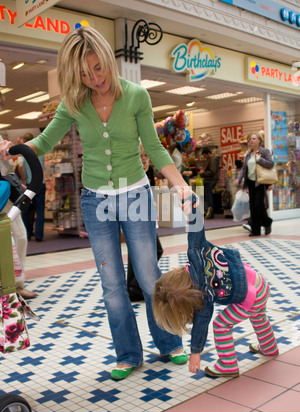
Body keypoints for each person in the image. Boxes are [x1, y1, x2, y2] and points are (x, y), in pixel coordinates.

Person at [0, 26, 195, 380]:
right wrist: (16, 150)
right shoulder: (74, 102)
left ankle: (168, 343)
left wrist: (180, 184)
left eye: (98, 68)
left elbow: (154, 147)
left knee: (149, 275)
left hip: (135, 194)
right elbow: (44, 141)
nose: (95, 79)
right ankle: (128, 354)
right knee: (111, 283)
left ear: (107, 59)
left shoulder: (136, 96)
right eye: (85, 74)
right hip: (95, 200)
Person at [153, 204, 279, 378]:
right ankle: (269, 347)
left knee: (221, 324)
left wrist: (195, 352)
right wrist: (192, 207)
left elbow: (200, 325)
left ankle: (228, 365)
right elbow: (196, 231)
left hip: (251, 296)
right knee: (258, 315)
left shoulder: (202, 297)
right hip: (260, 283)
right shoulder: (196, 253)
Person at [127, 144, 163, 302]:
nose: (144, 159)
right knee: (155, 250)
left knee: (136, 253)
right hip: (138, 218)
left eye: (146, 156)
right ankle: (135, 286)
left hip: (142, 217)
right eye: (140, 156)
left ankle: (133, 287)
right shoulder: (133, 173)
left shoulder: (146, 172)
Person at [0, 158, 37, 299]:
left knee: (20, 237)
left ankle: (17, 285)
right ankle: (10, 286)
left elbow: (9, 165)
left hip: (7, 194)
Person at [235, 133, 273, 236]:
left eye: (254, 139)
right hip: (250, 183)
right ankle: (255, 230)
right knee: (253, 207)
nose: (251, 141)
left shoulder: (264, 151)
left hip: (260, 182)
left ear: (259, 141)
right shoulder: (248, 154)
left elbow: (270, 163)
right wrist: (239, 178)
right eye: (250, 139)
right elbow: (244, 168)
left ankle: (267, 222)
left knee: (258, 205)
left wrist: (259, 159)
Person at [18, 133, 46, 242]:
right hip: (41, 183)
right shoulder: (41, 152)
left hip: (30, 185)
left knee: (26, 210)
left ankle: (28, 233)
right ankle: (39, 235)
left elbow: (20, 166)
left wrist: (23, 180)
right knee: (40, 210)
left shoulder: (24, 151)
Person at [200, 147, 219, 219]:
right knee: (208, 197)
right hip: (209, 180)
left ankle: (210, 213)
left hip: (210, 180)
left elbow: (212, 171)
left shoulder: (212, 160)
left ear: (208, 154)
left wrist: (203, 173)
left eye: (205, 156)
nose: (204, 158)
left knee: (208, 197)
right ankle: (209, 212)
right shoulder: (211, 160)